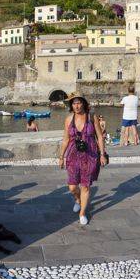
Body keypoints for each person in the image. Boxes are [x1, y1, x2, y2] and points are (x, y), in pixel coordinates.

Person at [58, 93, 107, 226]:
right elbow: (65, 139)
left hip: (90, 155)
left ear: (84, 103)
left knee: (85, 186)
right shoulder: (69, 119)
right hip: (73, 155)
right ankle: (78, 200)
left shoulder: (92, 117)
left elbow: (100, 137)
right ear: (71, 105)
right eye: (74, 103)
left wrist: (102, 154)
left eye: (79, 103)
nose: (77, 105)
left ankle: (82, 213)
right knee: (72, 186)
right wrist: (61, 157)